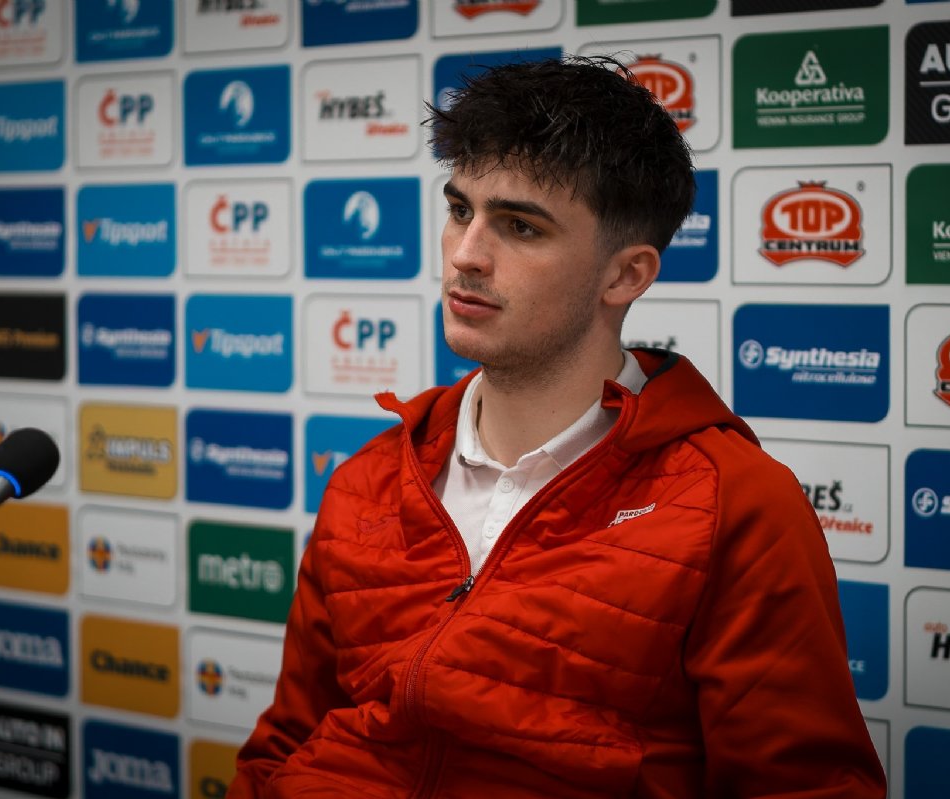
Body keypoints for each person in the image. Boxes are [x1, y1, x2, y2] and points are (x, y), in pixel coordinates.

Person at [229, 56, 887, 798]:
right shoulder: (369, 479)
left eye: (520, 226)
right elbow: (284, 747)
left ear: (626, 275)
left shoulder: (735, 505)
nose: (466, 255)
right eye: (460, 210)